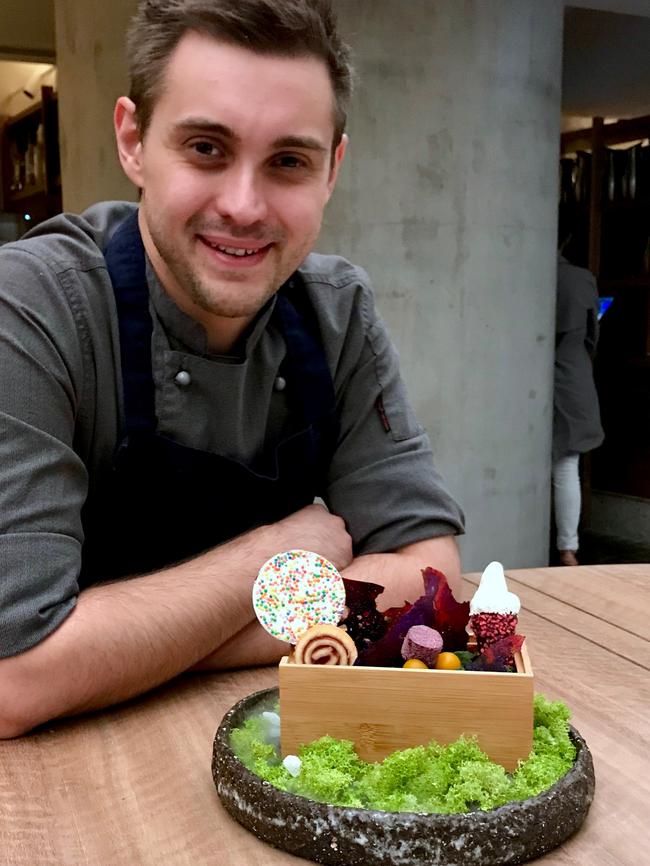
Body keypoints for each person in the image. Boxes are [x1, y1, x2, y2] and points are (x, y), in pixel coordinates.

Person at [0, 0, 464, 738]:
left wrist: (123, 648)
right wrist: (276, 553)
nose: (245, 207)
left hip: (272, 744)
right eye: (206, 149)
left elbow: (431, 575)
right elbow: (14, 678)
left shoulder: (337, 313)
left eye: (288, 161)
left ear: (331, 170)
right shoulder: (32, 307)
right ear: (133, 141)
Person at [552, 251, 604, 566]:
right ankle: (567, 548)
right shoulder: (581, 279)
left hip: (524, 376)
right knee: (566, 464)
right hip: (572, 374)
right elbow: (592, 336)